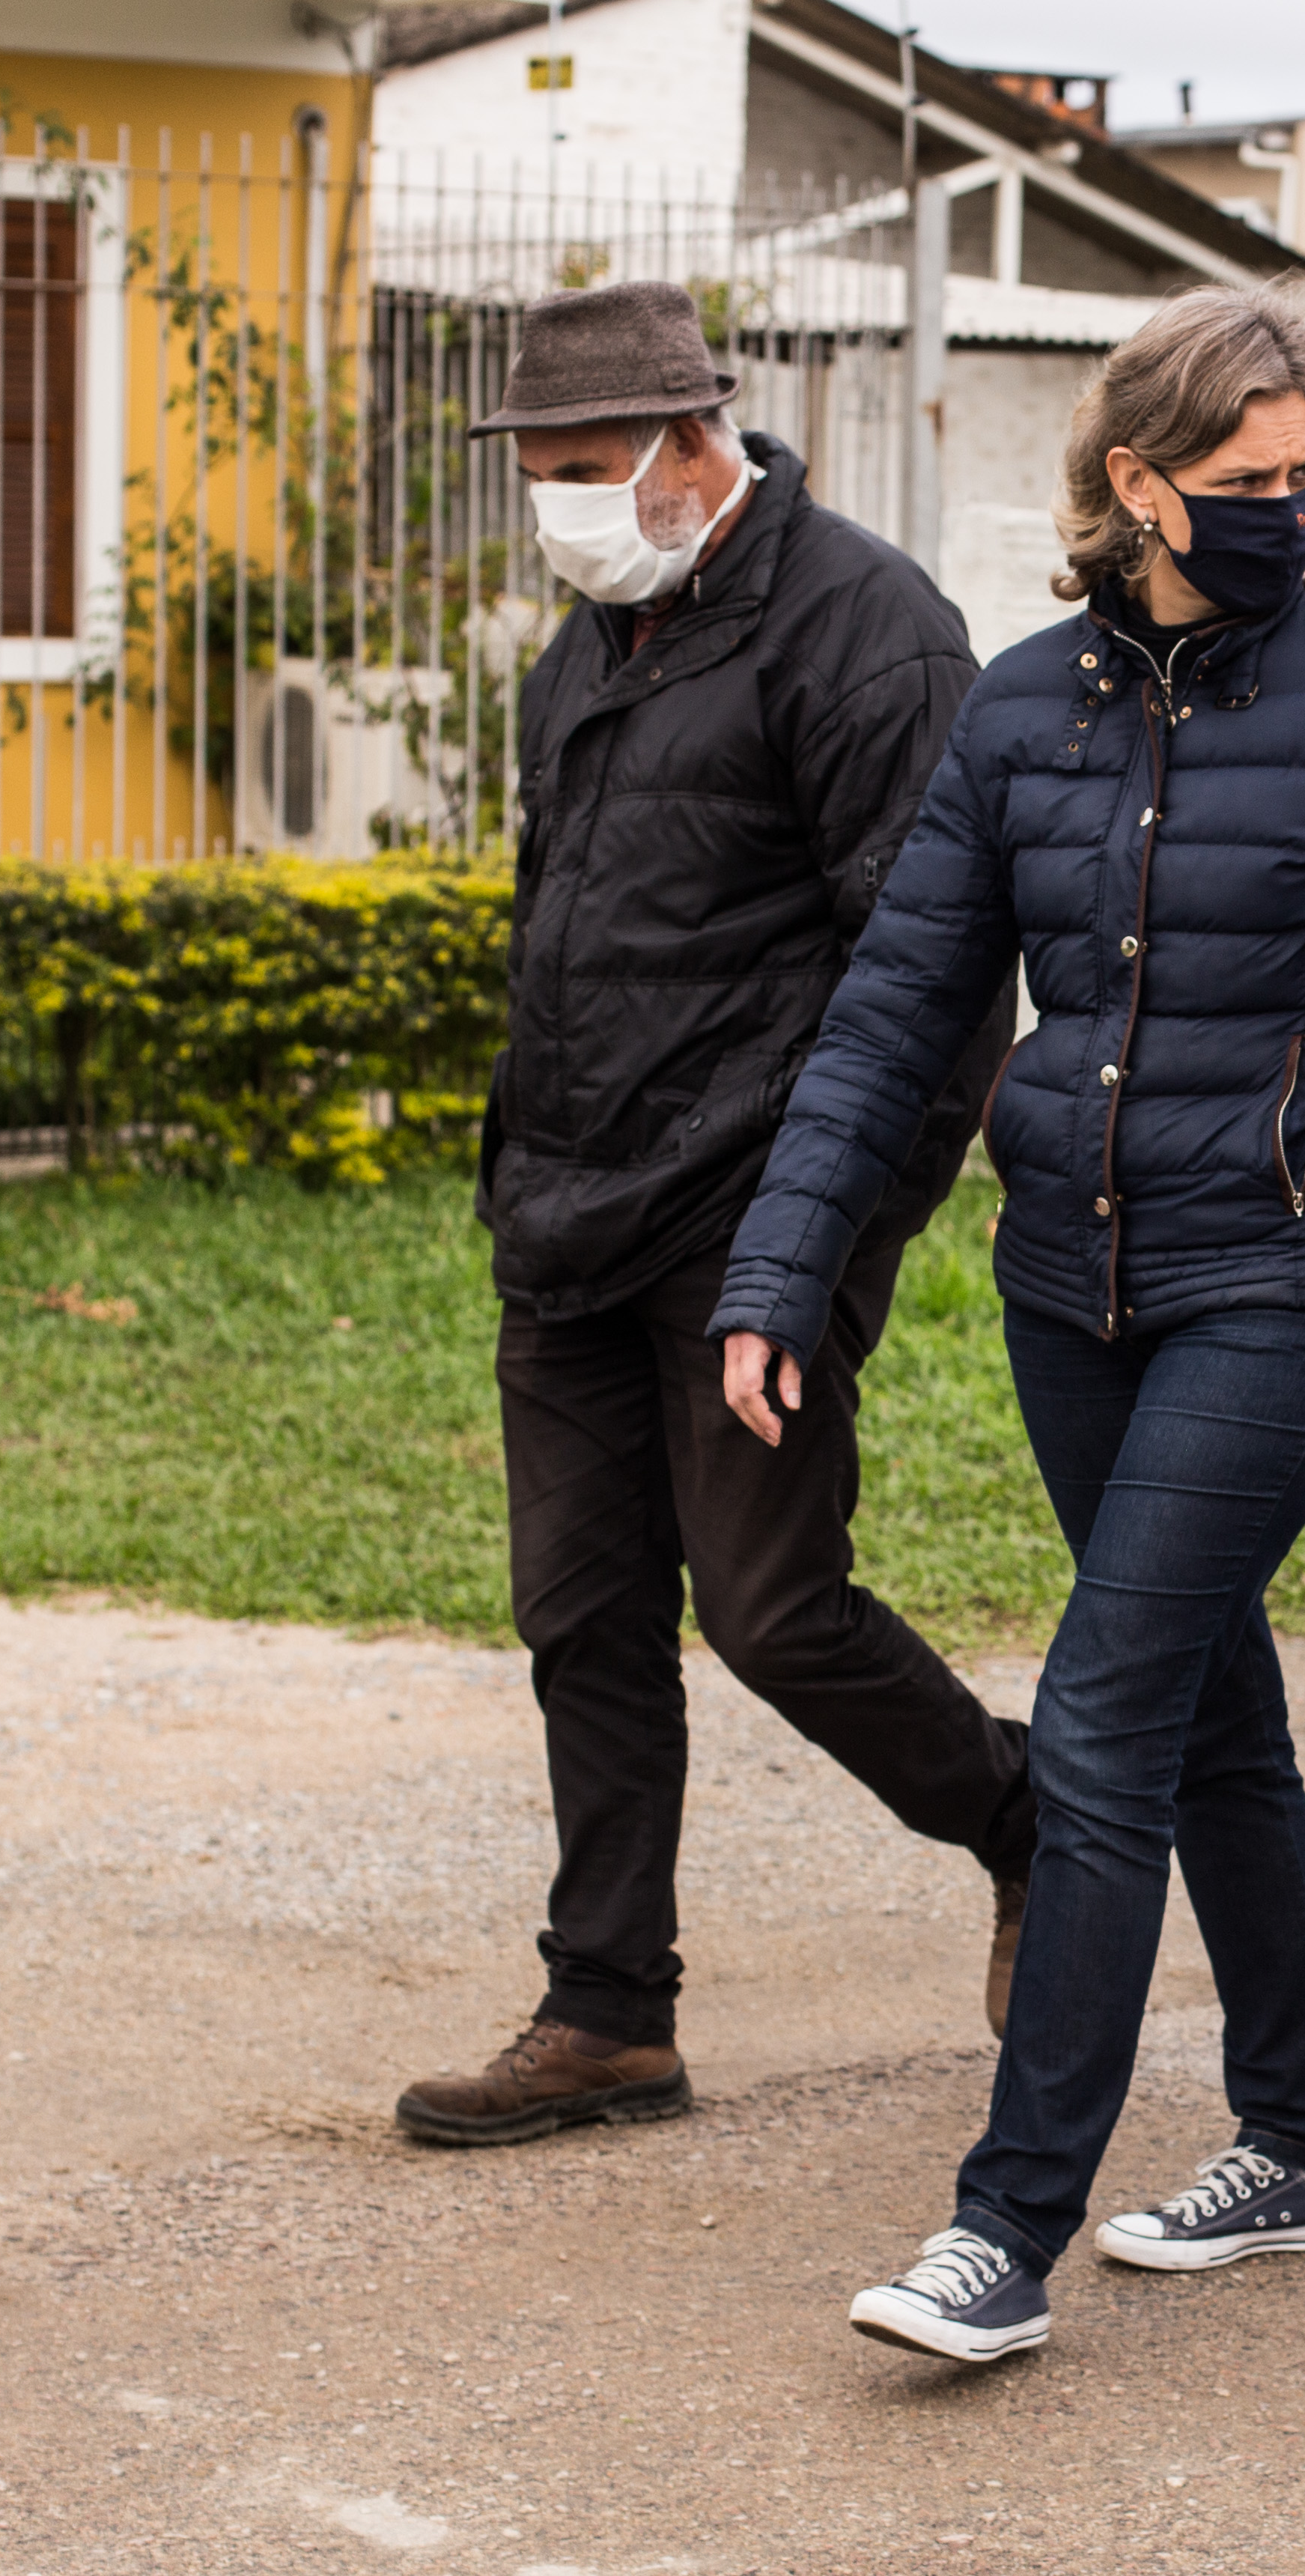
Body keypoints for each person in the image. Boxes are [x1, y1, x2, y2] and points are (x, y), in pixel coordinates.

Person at [708, 282, 1305, 2363]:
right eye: (1252, 479)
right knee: (1210, 1712)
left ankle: (1001, 2236)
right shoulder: (1018, 710)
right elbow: (898, 1007)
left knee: (1098, 1722)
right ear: (1136, 485)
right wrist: (780, 1266)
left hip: (1290, 1280)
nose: (1295, 507)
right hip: (1069, 1284)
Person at [394, 282, 1037, 2148]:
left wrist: (825, 1243)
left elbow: (930, 976)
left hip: (756, 1218)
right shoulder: (590, 639)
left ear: (696, 444)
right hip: (572, 1216)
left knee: (771, 1608)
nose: (558, 511)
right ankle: (609, 2014)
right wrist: (525, 1174)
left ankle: (1023, 1817)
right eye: (538, 478)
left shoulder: (866, 630)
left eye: (587, 472)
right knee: (579, 1616)